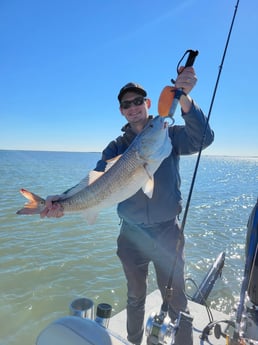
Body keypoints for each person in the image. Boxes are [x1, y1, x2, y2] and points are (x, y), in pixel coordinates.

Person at [40, 66, 214, 345]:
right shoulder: (114, 148)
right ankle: (134, 342)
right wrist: (62, 201)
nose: (132, 107)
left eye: (137, 102)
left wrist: (184, 99)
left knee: (177, 299)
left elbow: (203, 138)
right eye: (126, 104)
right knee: (135, 298)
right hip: (131, 235)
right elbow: (92, 182)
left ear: (147, 104)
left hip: (168, 233)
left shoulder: (167, 134)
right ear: (121, 111)